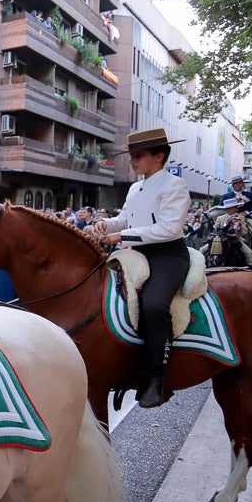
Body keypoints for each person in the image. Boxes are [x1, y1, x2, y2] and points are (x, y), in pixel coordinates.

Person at [93, 127, 191, 408]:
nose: (133, 161)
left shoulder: (175, 185)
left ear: (159, 156)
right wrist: (106, 224)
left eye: (139, 155)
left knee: (153, 307)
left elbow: (169, 229)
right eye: (132, 156)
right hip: (135, 252)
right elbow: (126, 218)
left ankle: (156, 377)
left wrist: (121, 236)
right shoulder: (136, 187)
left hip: (167, 255)